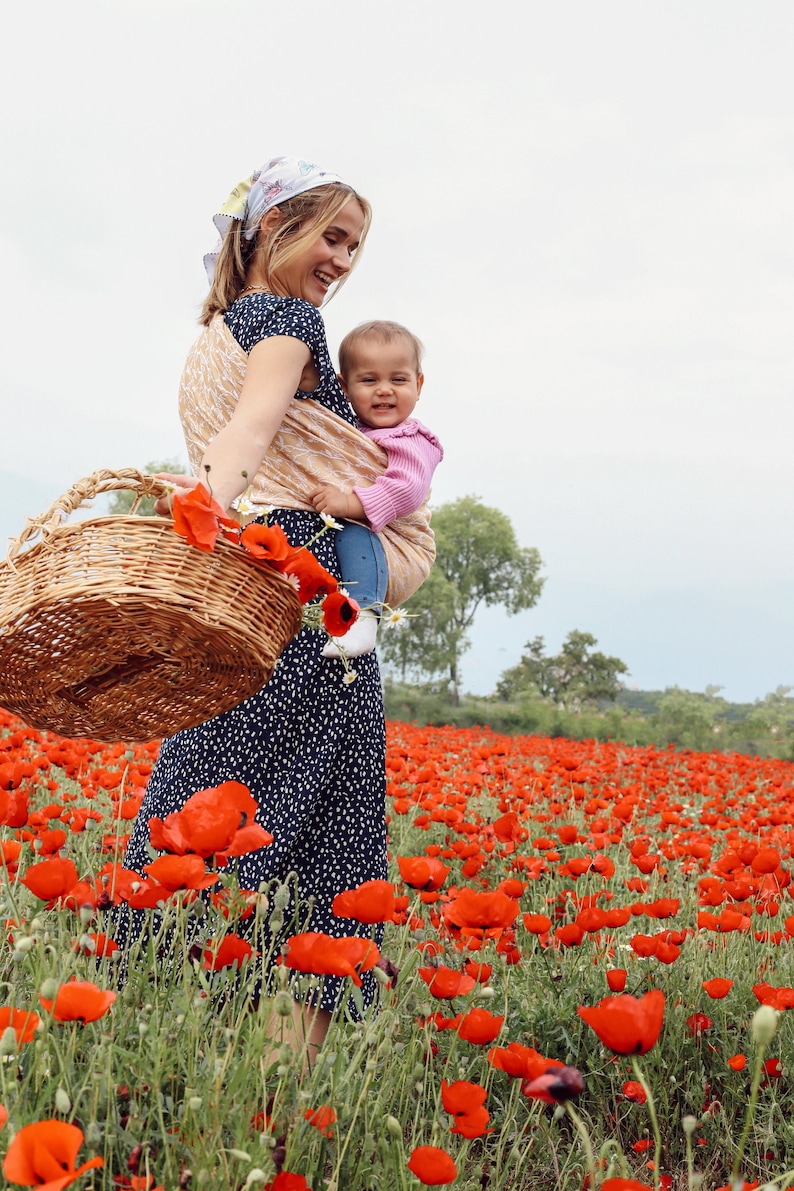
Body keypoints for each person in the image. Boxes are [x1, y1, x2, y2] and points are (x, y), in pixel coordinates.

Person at [115, 156, 436, 1056]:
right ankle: (249, 1056)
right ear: (274, 224)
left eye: (356, 246)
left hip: (286, 587)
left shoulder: (217, 330)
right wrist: (202, 512)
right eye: (332, 236)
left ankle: (190, 1043)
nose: (343, 260)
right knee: (279, 807)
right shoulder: (288, 321)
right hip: (304, 594)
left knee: (243, 792)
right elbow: (251, 431)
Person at [309, 320, 443, 659]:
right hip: (371, 550)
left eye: (398, 379)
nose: (384, 389)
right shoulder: (349, 431)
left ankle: (365, 620)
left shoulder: (412, 439)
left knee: (354, 533)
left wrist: (350, 503)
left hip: (400, 549)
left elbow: (407, 489)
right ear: (344, 387)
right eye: (369, 380)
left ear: (419, 383)